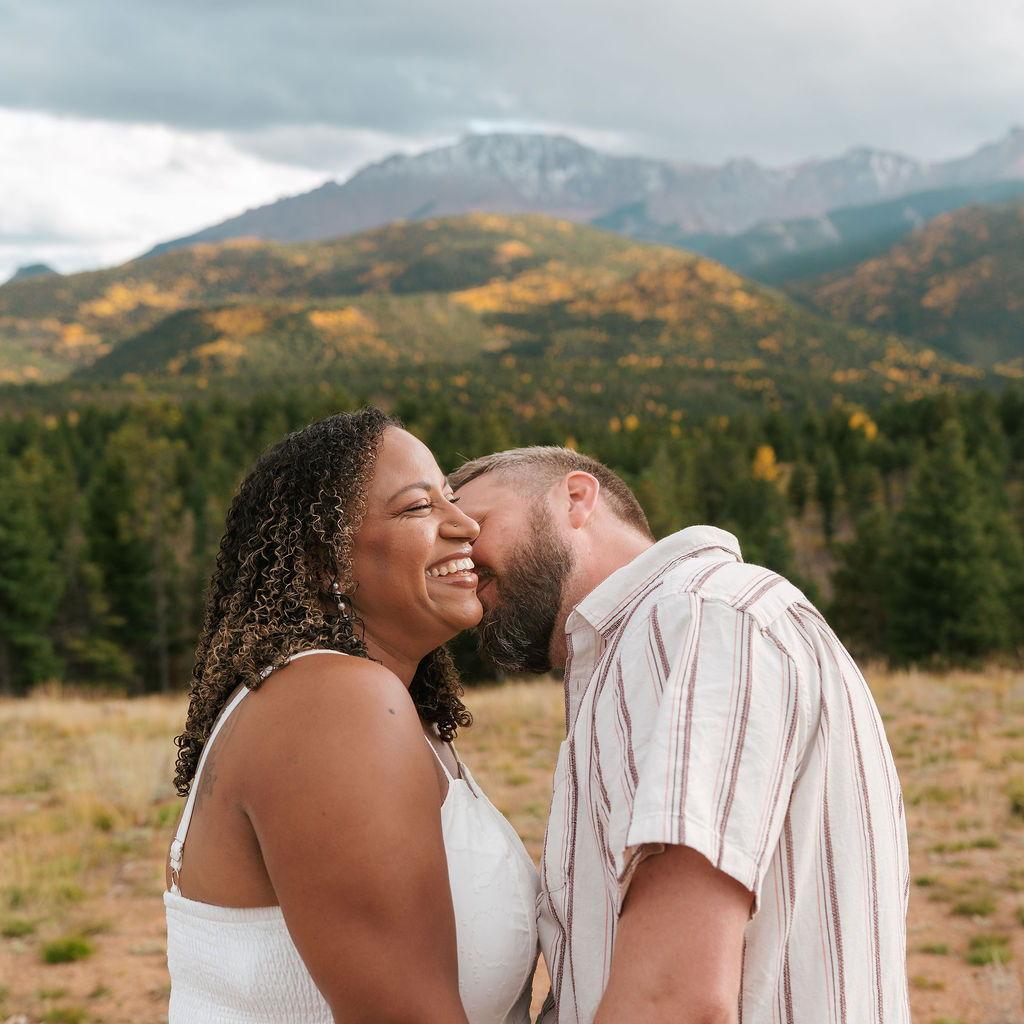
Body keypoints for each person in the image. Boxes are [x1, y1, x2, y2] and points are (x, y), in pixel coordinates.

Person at [450, 446, 911, 1024]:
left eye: (474, 526)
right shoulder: (667, 633)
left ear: (576, 498)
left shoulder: (694, 617)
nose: (462, 562)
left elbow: (673, 995)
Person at [164, 408, 538, 1024]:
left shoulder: (378, 704)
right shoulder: (333, 704)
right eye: (418, 507)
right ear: (324, 560)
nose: (466, 524)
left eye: (451, 497)